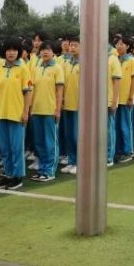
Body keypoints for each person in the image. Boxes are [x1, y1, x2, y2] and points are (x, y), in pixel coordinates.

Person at [0, 37, 31, 190]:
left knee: (16, 148)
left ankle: (17, 176)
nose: (11, 53)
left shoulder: (23, 69)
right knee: (5, 148)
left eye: (14, 50)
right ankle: (8, 175)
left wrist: (26, 112)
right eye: (8, 50)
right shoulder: (0, 69)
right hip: (1, 114)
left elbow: (28, 92)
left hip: (17, 114)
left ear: (18, 52)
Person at [29, 40, 64, 181]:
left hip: (50, 111)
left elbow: (60, 91)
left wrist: (57, 109)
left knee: (50, 142)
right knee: (39, 142)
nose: (44, 52)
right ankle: (42, 168)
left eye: (48, 50)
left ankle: (49, 171)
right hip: (36, 110)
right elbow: (31, 89)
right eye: (43, 50)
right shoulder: (36, 68)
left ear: (53, 52)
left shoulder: (57, 68)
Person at [60, 36, 82, 174]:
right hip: (67, 103)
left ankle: (80, 162)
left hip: (79, 105)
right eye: (71, 45)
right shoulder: (66, 63)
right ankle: (72, 160)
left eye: (75, 45)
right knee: (68, 135)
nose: (72, 47)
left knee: (77, 135)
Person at [115, 37, 134, 163]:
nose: (119, 46)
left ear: (128, 46)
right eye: (117, 44)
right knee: (116, 126)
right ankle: (118, 151)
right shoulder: (114, 60)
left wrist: (130, 96)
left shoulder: (131, 60)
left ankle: (128, 151)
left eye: (122, 44)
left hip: (126, 98)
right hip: (115, 99)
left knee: (125, 126)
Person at [106, 40, 122, 166]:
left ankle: (108, 157)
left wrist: (114, 102)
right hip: (94, 102)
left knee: (108, 129)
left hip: (108, 100)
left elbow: (117, 81)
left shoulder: (113, 59)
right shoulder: (93, 57)